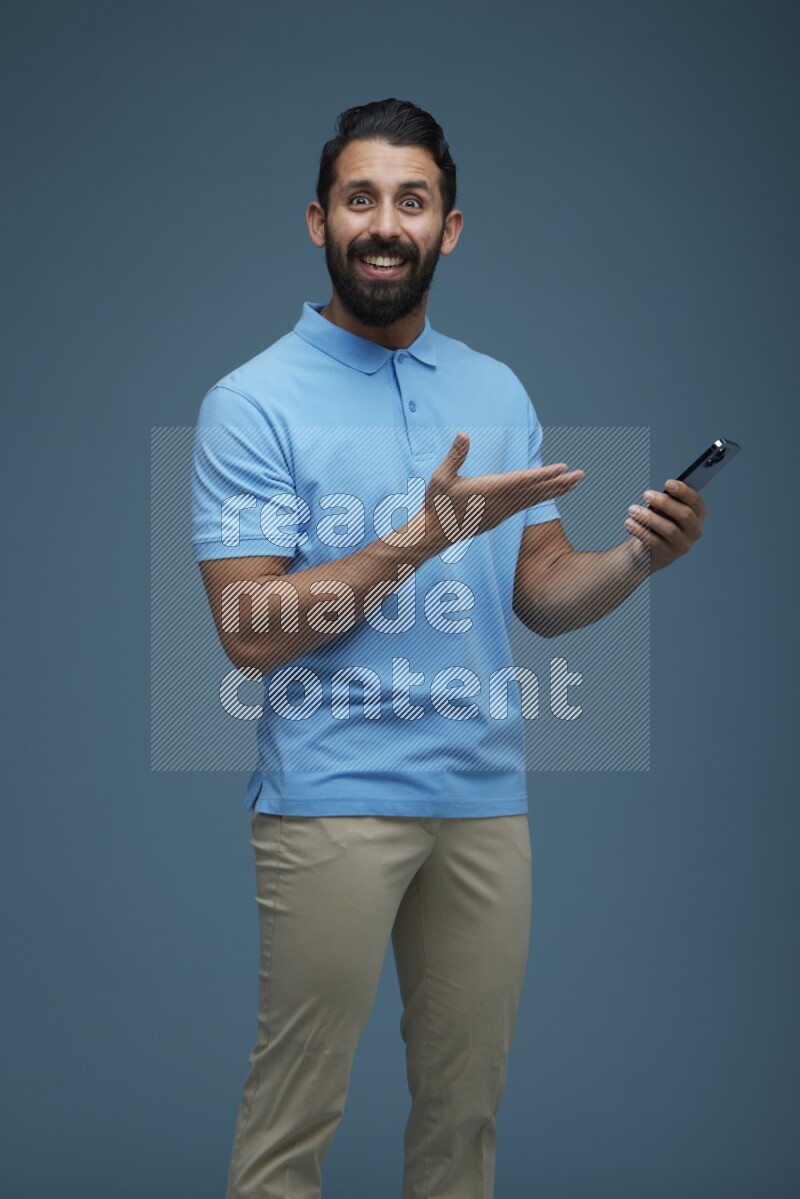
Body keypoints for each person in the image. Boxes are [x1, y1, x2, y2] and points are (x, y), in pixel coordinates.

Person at [190, 98, 706, 1199]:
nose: (385, 223)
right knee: (294, 1120)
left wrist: (634, 559)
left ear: (448, 227)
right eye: (361, 198)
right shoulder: (250, 404)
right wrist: (420, 538)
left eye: (410, 201)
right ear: (318, 220)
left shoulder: (495, 388)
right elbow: (247, 631)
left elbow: (542, 592)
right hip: (328, 799)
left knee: (464, 1116)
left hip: (483, 801)